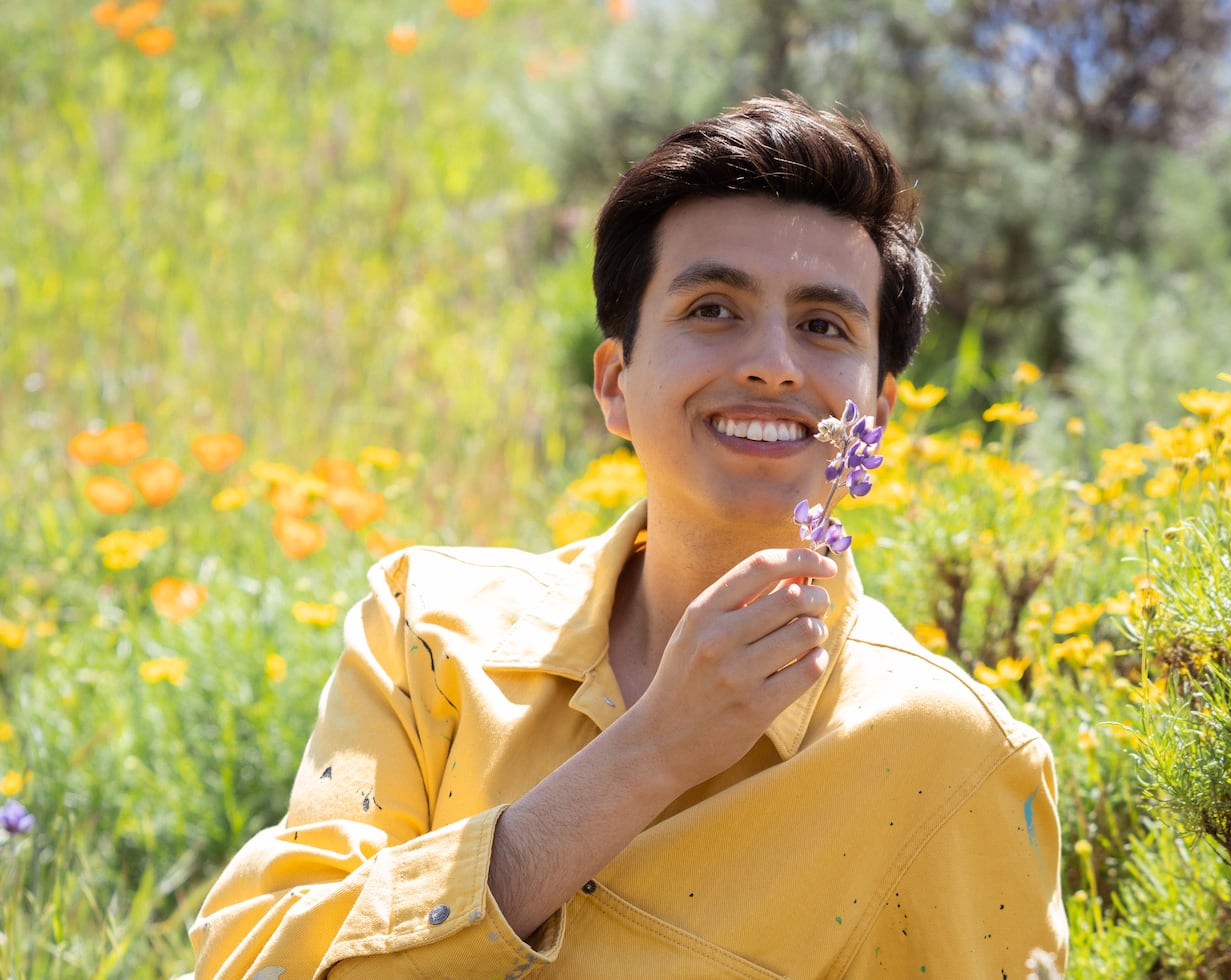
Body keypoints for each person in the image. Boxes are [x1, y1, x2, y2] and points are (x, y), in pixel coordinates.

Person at [190, 94, 1068, 978]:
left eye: (823, 325)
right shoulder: (429, 631)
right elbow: (255, 957)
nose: (772, 362)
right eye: (713, 309)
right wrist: (651, 752)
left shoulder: (947, 757)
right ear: (615, 383)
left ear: (878, 410)